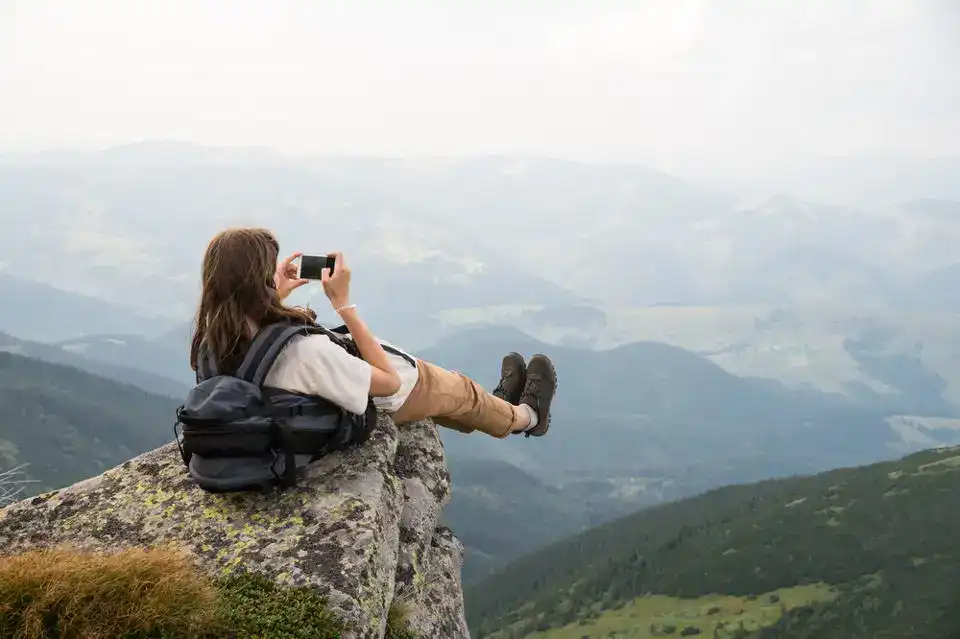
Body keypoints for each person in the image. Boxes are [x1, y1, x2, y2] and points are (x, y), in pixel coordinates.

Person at [188, 227, 557, 441]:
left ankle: (500, 406)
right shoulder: (305, 353)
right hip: (387, 396)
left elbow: (260, 352)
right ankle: (527, 416)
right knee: (464, 394)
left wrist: (276, 295)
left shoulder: (214, 339)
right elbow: (388, 382)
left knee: (463, 406)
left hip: (312, 393)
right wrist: (343, 305)